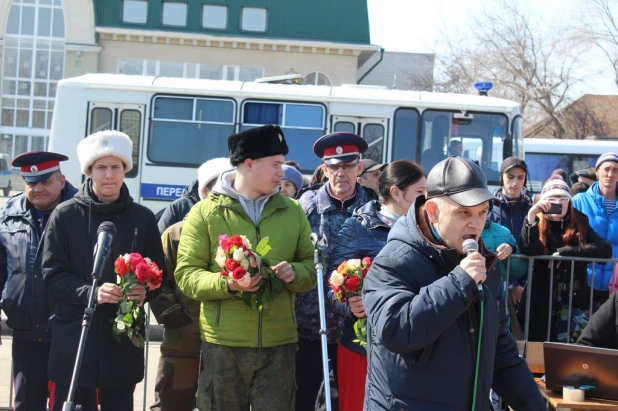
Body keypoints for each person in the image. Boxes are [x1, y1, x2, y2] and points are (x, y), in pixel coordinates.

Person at [363, 156, 546, 410]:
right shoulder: (394, 261)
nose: (476, 224)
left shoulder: (483, 264)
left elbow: (500, 351)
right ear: (433, 212)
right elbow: (396, 331)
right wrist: (459, 282)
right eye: (464, 213)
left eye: (482, 212)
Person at [174, 124, 317, 411]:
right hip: (224, 344)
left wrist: (295, 274)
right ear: (248, 164)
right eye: (275, 164)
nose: (283, 172)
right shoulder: (205, 212)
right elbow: (186, 275)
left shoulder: (293, 210)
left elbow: (311, 269)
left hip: (280, 344)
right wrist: (228, 283)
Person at [42, 130, 166, 411]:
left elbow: (161, 272)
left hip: (121, 339)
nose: (109, 175)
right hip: (75, 333)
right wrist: (92, 292)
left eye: (115, 167)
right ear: (88, 171)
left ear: (126, 170)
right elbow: (51, 273)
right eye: (101, 167)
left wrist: (144, 289)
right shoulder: (64, 215)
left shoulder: (142, 218)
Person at [327, 160, 426, 411]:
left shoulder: (427, 229)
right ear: (396, 193)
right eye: (420, 193)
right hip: (362, 346)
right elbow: (332, 283)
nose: (426, 199)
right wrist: (349, 304)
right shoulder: (357, 226)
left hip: (412, 345)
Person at [297, 132, 377, 411]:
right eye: (334, 167)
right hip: (309, 325)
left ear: (360, 168)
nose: (340, 173)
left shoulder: (374, 209)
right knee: (305, 399)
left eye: (347, 166)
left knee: (353, 401)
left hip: (357, 331)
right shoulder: (305, 207)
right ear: (325, 168)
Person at [0, 152, 77, 411]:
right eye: (32, 183)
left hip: (69, 333)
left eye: (45, 181)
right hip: (26, 332)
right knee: (25, 405)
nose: (38, 188)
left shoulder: (81, 211)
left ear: (61, 180)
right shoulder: (8, 214)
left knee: (68, 405)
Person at [517, 177, 611, 343]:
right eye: (552, 199)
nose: (558, 203)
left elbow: (605, 250)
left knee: (566, 356)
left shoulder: (579, 221)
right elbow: (530, 249)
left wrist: (567, 252)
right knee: (536, 354)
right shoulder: (536, 221)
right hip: (540, 301)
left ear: (569, 202)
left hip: (572, 304)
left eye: (562, 199)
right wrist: (531, 216)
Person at [149, 220, 201, 411]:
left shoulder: (243, 231)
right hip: (181, 344)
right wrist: (179, 322)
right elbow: (156, 282)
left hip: (225, 344)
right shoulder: (177, 233)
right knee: (171, 403)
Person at [573, 153, 618, 305]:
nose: (610, 174)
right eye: (606, 169)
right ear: (597, 172)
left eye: (615, 170)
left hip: (616, 282)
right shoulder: (579, 200)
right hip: (585, 280)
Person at [490, 157, 533, 307]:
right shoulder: (488, 207)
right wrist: (511, 285)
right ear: (501, 177)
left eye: (520, 177)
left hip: (527, 282)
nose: (515, 183)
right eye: (510, 177)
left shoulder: (532, 210)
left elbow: (535, 248)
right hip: (495, 280)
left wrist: (521, 284)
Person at [157, 157, 231, 233]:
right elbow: (160, 242)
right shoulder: (179, 208)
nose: (230, 193)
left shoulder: (239, 209)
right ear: (205, 191)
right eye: (223, 189)